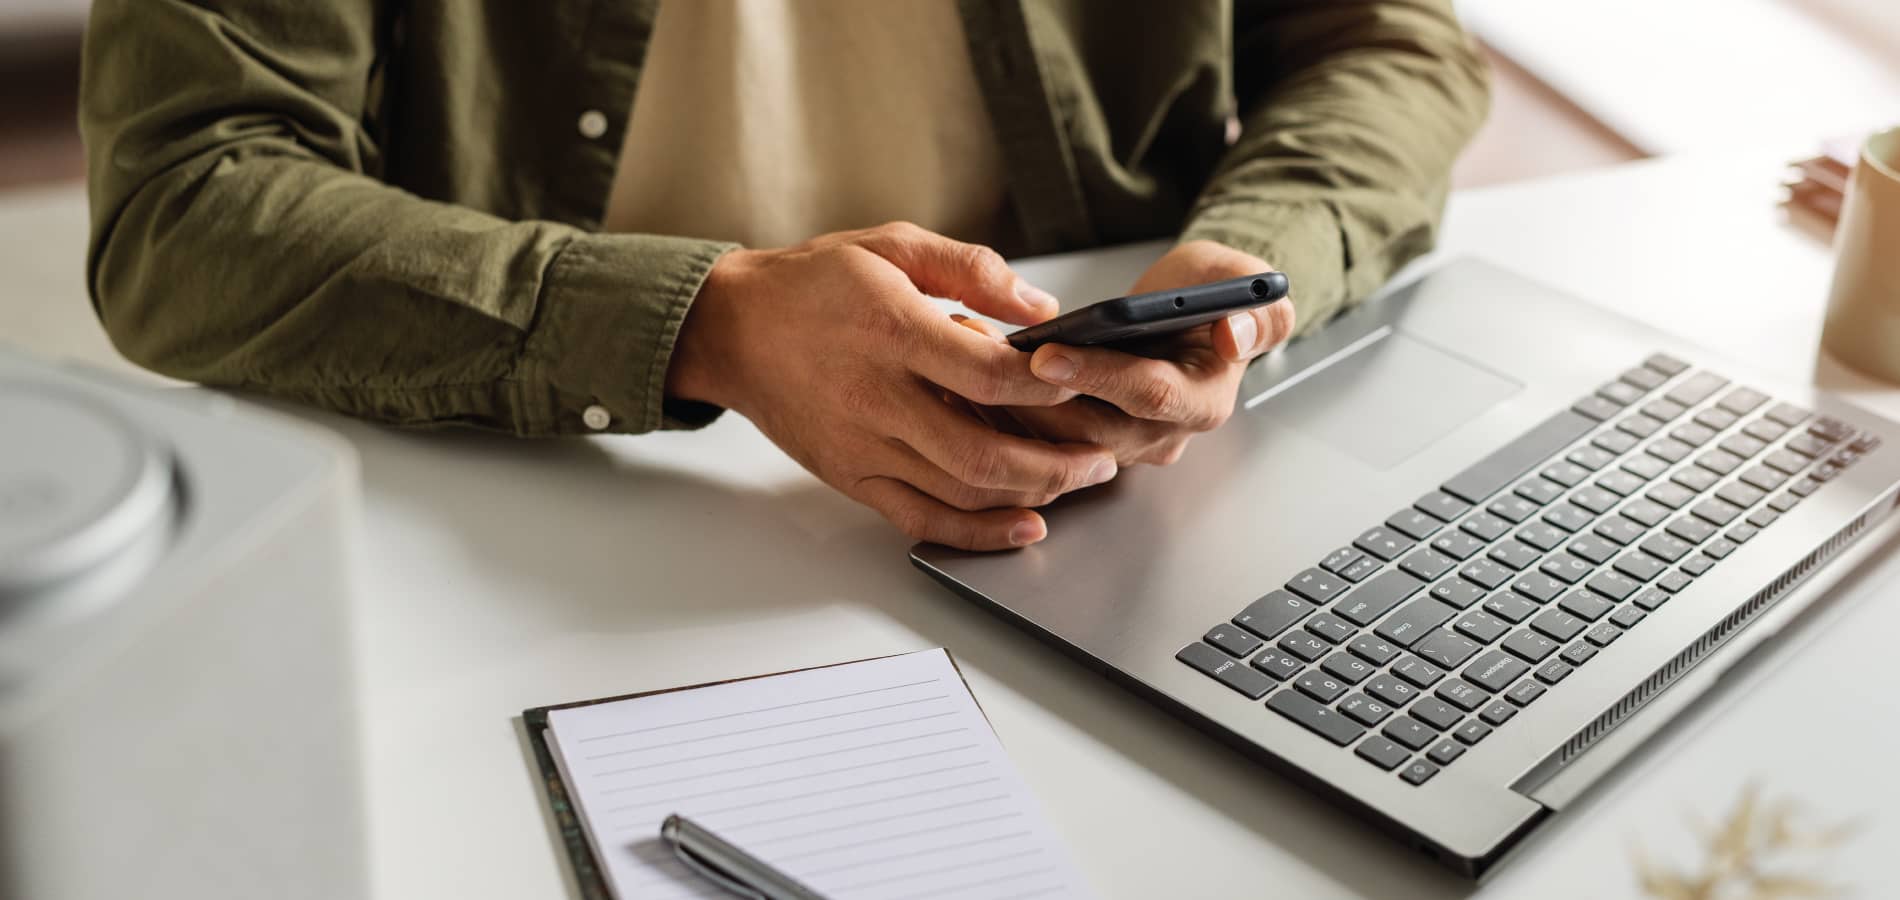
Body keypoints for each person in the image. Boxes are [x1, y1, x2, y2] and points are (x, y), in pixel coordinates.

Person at [79, 1, 1488, 551]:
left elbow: (1391, 43)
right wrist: (706, 322)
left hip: (1125, 490)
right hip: (549, 500)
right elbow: (190, 201)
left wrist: (1248, 272)